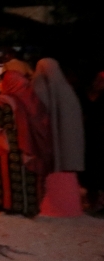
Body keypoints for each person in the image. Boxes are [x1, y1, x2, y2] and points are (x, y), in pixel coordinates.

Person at [0, 70, 52, 217]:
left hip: (5, 148)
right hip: (29, 146)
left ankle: (7, 205)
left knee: (6, 177)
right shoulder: (31, 99)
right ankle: (28, 207)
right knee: (27, 177)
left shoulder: (0, 101)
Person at [31, 58, 84, 216]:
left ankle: (53, 206)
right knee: (66, 175)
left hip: (47, 144)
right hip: (68, 149)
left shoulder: (39, 87)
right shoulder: (67, 91)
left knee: (54, 176)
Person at [82, 71, 104, 213]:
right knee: (91, 170)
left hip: (101, 137)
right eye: (98, 79)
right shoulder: (85, 93)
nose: (98, 82)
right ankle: (92, 200)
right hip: (89, 136)